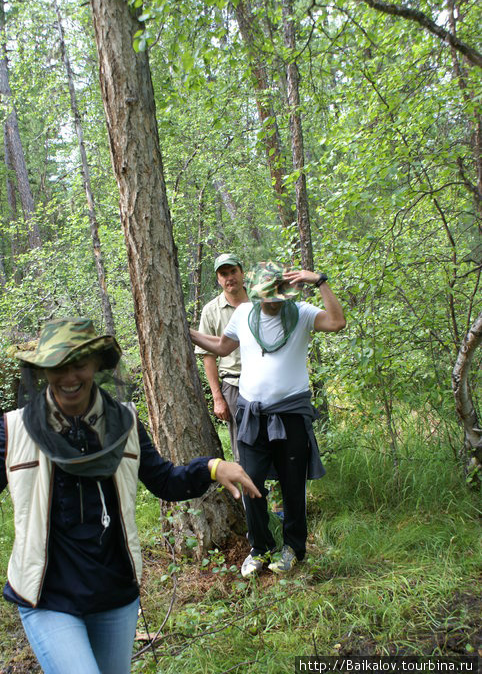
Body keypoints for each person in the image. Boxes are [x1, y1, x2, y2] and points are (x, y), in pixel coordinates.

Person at [0, 317, 260, 674]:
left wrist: (212, 468)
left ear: (97, 365)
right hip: (47, 595)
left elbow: (164, 480)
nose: (69, 376)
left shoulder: (124, 421)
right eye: (57, 366)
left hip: (114, 591)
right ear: (43, 371)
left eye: (79, 363)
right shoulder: (13, 430)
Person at [190, 262, 346, 578]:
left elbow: (337, 321)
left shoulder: (301, 313)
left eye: (279, 294)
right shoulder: (244, 315)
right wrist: (184, 329)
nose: (273, 301)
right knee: (251, 482)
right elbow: (222, 347)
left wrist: (320, 281)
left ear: (287, 294)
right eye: (268, 295)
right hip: (252, 414)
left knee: (292, 485)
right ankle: (259, 549)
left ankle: (292, 548)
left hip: (291, 415)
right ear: (259, 295)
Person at [194, 253, 248, 462]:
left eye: (233, 271)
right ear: (218, 279)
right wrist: (218, 398)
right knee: (242, 447)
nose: (229, 278)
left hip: (265, 383)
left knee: (274, 440)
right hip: (233, 385)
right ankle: (249, 493)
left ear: (242, 272)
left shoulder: (260, 302)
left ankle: (277, 491)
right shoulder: (211, 311)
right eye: (223, 274)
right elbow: (208, 357)